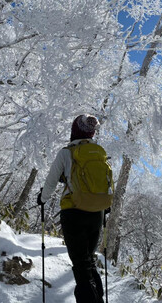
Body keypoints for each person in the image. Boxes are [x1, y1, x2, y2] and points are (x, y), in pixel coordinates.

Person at [37, 114, 105, 303]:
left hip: (74, 212)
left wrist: (42, 199)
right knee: (88, 261)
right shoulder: (99, 152)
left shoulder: (66, 152)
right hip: (97, 213)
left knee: (80, 266)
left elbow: (50, 182)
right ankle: (98, 298)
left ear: (74, 130)